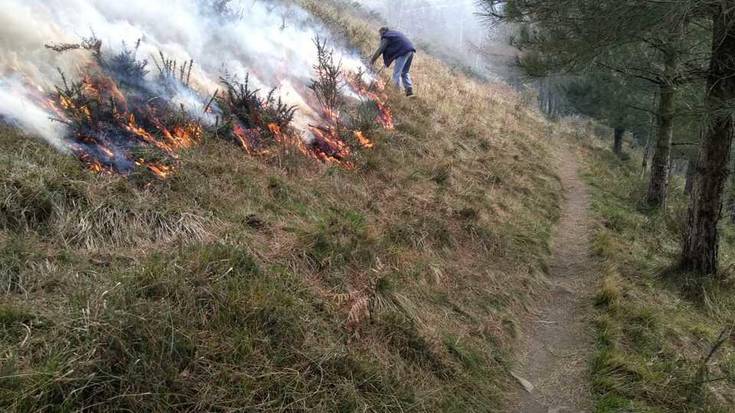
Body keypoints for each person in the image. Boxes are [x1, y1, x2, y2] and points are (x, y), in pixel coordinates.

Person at [370, 27, 416, 97]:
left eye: (380, 34)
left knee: (396, 73)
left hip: (403, 52)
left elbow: (380, 50)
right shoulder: (393, 34)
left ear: (383, 32)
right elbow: (394, 51)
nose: (381, 36)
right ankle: (409, 91)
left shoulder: (387, 36)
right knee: (405, 72)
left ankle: (395, 93)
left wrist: (372, 61)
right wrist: (386, 63)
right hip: (410, 50)